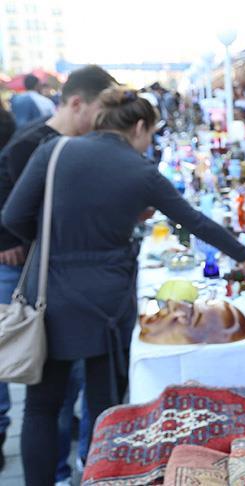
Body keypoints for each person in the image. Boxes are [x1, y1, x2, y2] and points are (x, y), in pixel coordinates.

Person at [2, 88, 245, 486]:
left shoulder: (55, 151)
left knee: (41, 408)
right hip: (107, 303)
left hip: (51, 294)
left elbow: (12, 216)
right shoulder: (139, 169)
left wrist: (50, 242)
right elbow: (194, 221)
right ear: (140, 127)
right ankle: (101, 477)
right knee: (107, 407)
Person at [0, 64, 117, 477]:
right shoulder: (29, 145)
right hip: (40, 280)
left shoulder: (84, 145)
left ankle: (78, 465)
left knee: (74, 390)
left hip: (72, 282)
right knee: (48, 392)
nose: (104, 120)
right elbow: (12, 212)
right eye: (100, 109)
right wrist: (12, 243)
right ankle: (56, 470)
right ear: (77, 103)